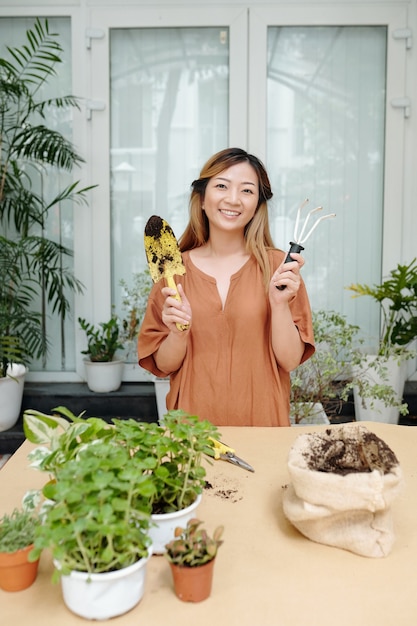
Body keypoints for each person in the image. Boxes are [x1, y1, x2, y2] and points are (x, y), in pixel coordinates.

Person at [138, 147, 315, 426]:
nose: (233, 199)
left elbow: (290, 360)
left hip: (264, 427)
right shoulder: (173, 274)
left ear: (258, 204)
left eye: (247, 191)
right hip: (192, 433)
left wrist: (279, 305)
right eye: (222, 186)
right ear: (202, 198)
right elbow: (163, 365)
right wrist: (177, 334)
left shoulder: (279, 269)